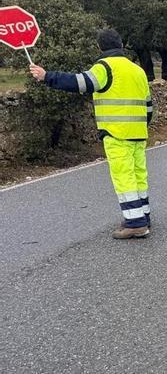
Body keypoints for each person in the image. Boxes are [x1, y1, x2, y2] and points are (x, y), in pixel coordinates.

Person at [29, 28, 154, 239]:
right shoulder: (137, 70)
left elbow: (81, 83)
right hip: (138, 132)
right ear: (121, 45)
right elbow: (149, 105)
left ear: (100, 47)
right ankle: (143, 215)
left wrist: (47, 76)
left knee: (123, 177)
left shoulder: (104, 67)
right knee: (139, 175)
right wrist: (142, 125)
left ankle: (135, 223)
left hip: (116, 133)